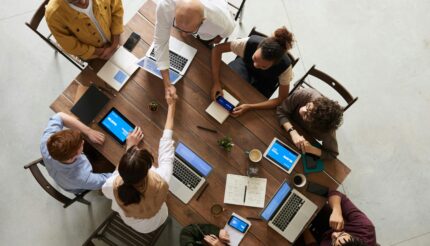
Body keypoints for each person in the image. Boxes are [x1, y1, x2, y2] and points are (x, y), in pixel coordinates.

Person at [102, 95, 177, 233]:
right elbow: (166, 146)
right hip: (156, 219)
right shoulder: (161, 179)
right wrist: (172, 105)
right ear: (148, 169)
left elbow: (116, 176)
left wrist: (129, 147)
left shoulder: (110, 185)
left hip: (138, 226)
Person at [154, 0, 235, 101]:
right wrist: (167, 84)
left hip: (211, 31)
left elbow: (227, 32)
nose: (183, 35)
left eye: (189, 31)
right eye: (178, 27)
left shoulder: (221, 22)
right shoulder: (165, 6)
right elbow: (160, 42)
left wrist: (219, 37)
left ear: (203, 20)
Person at [210, 26, 295, 116]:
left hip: (266, 81)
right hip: (244, 66)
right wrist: (216, 82)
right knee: (227, 85)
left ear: (275, 64)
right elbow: (217, 49)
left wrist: (250, 107)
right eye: (255, 58)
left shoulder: (285, 68)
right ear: (258, 46)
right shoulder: (248, 43)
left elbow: (281, 98)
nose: (256, 65)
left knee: (250, 103)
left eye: (263, 66)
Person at [40, 112, 112, 194]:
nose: (83, 142)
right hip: (78, 185)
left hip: (60, 175)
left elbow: (59, 115)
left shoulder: (47, 142)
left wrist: (89, 131)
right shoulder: (82, 178)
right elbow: (110, 181)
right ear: (73, 156)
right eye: (81, 144)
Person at [276, 87, 343, 160]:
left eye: (306, 116)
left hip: (302, 146)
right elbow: (281, 111)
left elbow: (332, 154)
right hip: (283, 128)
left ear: (316, 126)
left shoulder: (327, 130)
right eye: (308, 106)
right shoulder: (304, 94)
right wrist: (293, 132)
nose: (302, 110)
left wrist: (311, 149)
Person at [45, 0, 124, 60]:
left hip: (117, 37)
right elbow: (71, 46)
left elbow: (117, 9)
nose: (83, 2)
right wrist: (100, 52)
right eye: (75, 1)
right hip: (94, 56)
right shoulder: (53, 15)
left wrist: (115, 43)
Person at [302, 191, 377, 246]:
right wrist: (336, 210)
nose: (334, 234)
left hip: (317, 239)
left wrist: (303, 227)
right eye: (341, 234)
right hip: (325, 216)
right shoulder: (365, 227)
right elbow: (335, 193)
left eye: (334, 241)